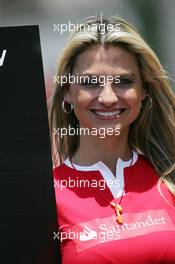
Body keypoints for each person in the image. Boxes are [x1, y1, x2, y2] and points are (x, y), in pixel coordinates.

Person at [49, 15, 175, 264]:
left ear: (144, 90)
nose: (107, 98)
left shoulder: (169, 178)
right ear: (67, 92)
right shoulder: (45, 196)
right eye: (90, 83)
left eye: (123, 82)